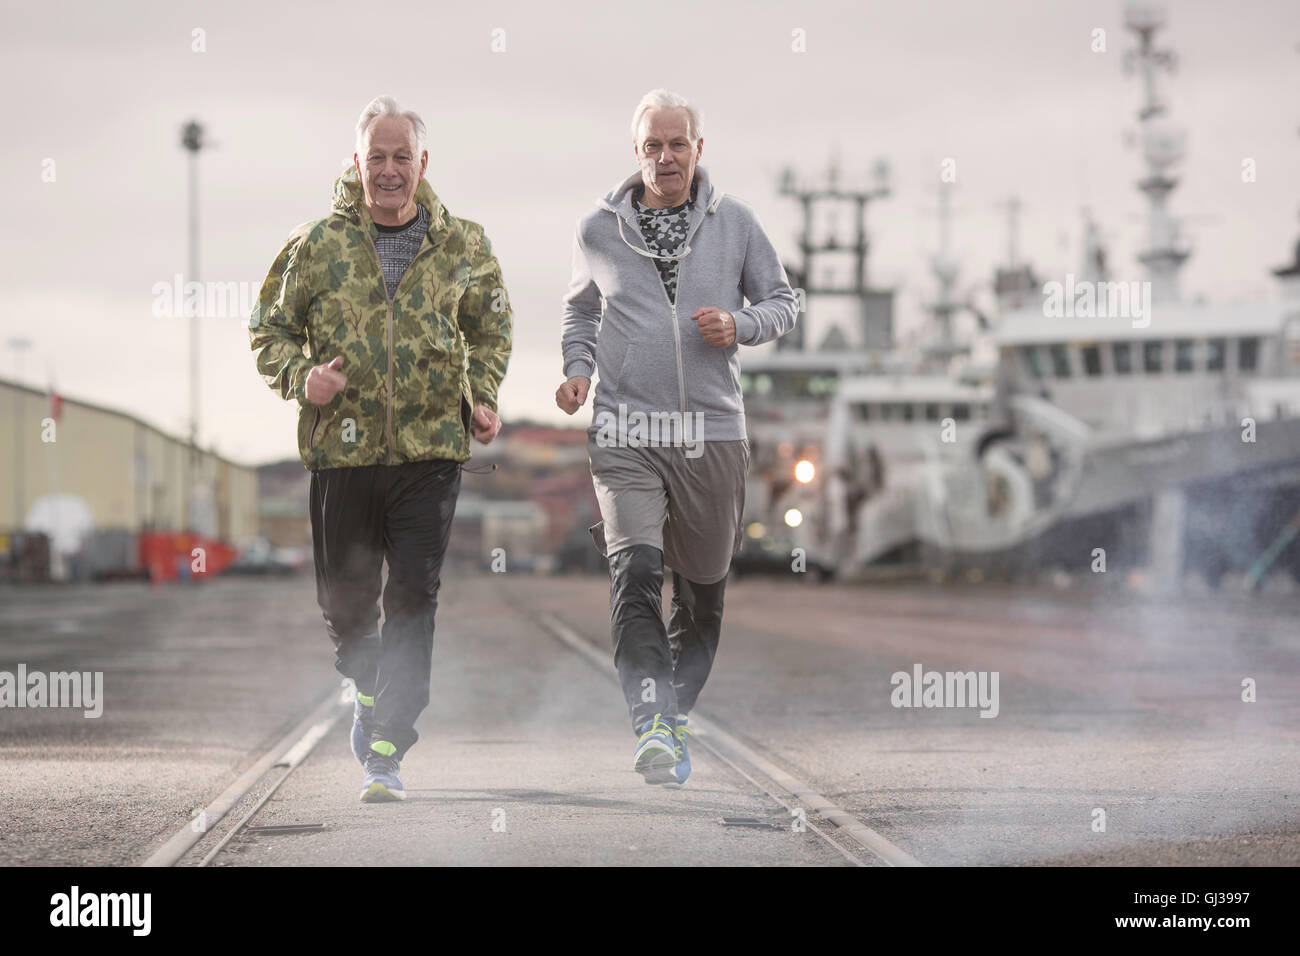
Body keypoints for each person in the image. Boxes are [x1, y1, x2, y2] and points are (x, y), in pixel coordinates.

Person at [250, 95, 512, 802]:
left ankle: (389, 743)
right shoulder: (318, 246)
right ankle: (368, 693)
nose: (390, 171)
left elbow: (490, 331)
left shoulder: (465, 246)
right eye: (377, 158)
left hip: (430, 453)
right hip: (343, 456)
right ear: (357, 164)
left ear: (422, 164)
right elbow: (267, 330)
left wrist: (480, 395)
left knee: (414, 594)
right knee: (346, 607)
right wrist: (305, 379)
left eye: (402, 158)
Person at [556, 89, 797, 785]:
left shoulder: (738, 224)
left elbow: (784, 302)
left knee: (703, 595)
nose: (665, 157)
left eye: (677, 144)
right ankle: (652, 721)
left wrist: (740, 325)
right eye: (652, 146)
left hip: (710, 431)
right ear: (636, 155)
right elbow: (579, 316)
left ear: (698, 149)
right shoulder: (596, 229)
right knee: (634, 573)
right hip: (625, 430)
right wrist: (577, 373)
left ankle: (674, 711)